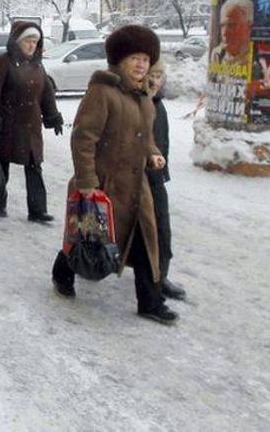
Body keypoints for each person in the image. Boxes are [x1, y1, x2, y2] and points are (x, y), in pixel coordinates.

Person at [51, 24, 179, 325]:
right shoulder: (102, 92)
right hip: (103, 185)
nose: (141, 65)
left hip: (138, 186)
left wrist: (152, 152)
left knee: (148, 241)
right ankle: (63, 270)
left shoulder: (144, 96)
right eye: (135, 58)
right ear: (120, 60)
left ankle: (150, 301)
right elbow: (83, 139)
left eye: (146, 60)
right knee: (90, 239)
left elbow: (144, 136)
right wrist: (86, 183)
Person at [0, 21, 64, 223]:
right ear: (17, 41)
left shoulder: (37, 66)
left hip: (30, 126)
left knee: (35, 167)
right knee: (2, 166)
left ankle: (37, 210)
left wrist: (53, 117)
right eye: (28, 40)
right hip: (7, 126)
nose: (31, 45)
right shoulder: (1, 63)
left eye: (35, 41)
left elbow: (46, 95)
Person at [146, 59, 186, 301]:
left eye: (159, 75)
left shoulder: (158, 105)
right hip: (131, 178)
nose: (155, 80)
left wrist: (162, 170)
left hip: (155, 178)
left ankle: (160, 277)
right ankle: (75, 263)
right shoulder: (137, 103)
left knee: (161, 230)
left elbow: (162, 142)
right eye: (152, 75)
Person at [210, 0, 253, 66]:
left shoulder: (256, 59)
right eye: (222, 25)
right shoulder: (217, 54)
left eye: (232, 25)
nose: (224, 33)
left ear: (249, 27)